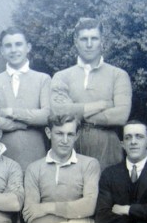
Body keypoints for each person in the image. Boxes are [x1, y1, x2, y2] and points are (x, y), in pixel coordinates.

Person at [50, 17, 132, 170]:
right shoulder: (62, 76)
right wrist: (102, 105)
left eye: (94, 38)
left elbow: (121, 115)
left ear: (102, 41)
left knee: (107, 191)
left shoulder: (118, 75)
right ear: (76, 41)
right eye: (84, 39)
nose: (89, 44)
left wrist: (77, 112)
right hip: (71, 141)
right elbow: (58, 111)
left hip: (107, 143)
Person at [0, 27, 51, 171]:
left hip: (36, 157)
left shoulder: (43, 79)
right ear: (2, 51)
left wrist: (11, 111)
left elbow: (47, 115)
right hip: (2, 158)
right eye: (8, 46)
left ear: (28, 47)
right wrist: (23, 124)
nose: (13, 50)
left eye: (18, 44)